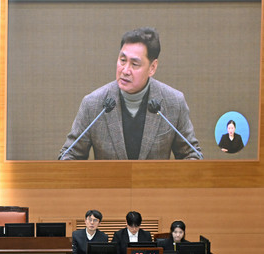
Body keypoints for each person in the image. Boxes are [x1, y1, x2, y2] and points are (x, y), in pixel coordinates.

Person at [59, 27, 201, 160]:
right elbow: (69, 154)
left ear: (152, 67)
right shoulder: (93, 104)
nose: (125, 70)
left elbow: (192, 155)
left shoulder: (174, 102)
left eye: (134, 64)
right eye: (122, 60)